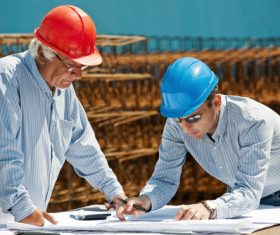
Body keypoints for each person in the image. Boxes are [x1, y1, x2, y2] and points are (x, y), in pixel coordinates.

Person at [0, 5, 126, 226]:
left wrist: (114, 192)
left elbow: (82, 143)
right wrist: (23, 209)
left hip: (28, 222)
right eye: (71, 66)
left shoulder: (63, 91)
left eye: (82, 67)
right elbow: (3, 153)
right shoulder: (8, 78)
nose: (77, 75)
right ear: (42, 54)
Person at [115, 57, 280, 220]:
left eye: (193, 118)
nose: (185, 128)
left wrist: (209, 207)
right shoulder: (176, 123)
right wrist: (145, 200)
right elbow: (165, 178)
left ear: (215, 102)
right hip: (242, 199)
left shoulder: (253, 121)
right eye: (180, 119)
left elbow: (249, 191)